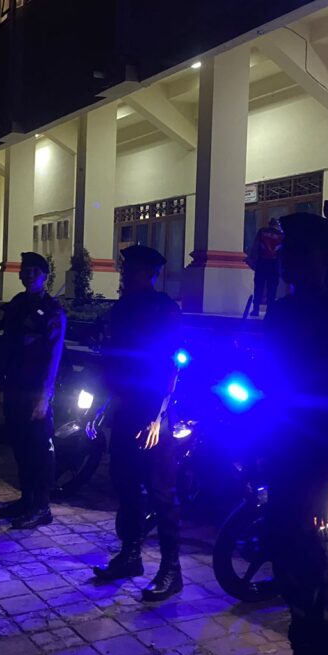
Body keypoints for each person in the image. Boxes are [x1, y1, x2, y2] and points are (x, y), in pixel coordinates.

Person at [262, 212, 328, 655]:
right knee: (291, 581)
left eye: (301, 252)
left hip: (321, 471)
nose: (289, 259)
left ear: (327, 258)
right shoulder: (280, 314)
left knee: (323, 592)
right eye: (287, 251)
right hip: (283, 463)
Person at [93, 244, 184, 602]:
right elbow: (115, 361)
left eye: (130, 270)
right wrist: (104, 405)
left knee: (161, 491)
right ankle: (130, 555)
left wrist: (157, 417)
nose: (124, 275)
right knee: (125, 482)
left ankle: (171, 570)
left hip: (152, 412)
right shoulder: (122, 307)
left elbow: (172, 363)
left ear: (148, 273)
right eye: (124, 269)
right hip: (126, 406)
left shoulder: (164, 309)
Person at [0, 252, 66, 529]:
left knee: (39, 449)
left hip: (36, 389)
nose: (29, 275)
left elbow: (53, 356)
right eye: (25, 270)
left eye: (35, 271)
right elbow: (6, 346)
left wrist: (45, 396)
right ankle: (27, 498)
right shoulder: (18, 304)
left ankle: (41, 506)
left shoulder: (53, 310)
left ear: (45, 276)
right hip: (15, 384)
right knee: (20, 445)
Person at [246, 217, 284, 317]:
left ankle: (255, 310)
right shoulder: (281, 235)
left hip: (262, 263)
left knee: (258, 287)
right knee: (272, 289)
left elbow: (255, 247)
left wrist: (252, 261)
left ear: (269, 224)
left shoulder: (262, 232)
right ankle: (270, 312)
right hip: (274, 265)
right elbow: (282, 252)